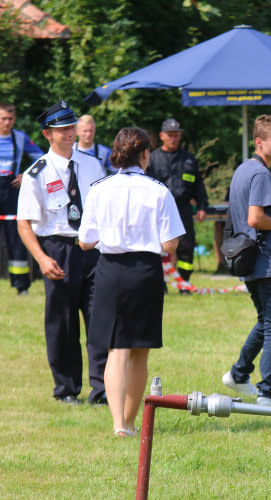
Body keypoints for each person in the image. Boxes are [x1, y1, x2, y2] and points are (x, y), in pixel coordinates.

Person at [78, 127, 184, 437]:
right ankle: (128, 420)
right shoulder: (158, 190)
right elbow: (170, 245)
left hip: (109, 268)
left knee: (116, 349)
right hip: (145, 271)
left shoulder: (99, 188)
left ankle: (118, 425)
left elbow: (85, 241)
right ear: (145, 155)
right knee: (140, 350)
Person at [16, 100, 109, 405]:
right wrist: (42, 259)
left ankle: (103, 388)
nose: (70, 133)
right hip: (58, 248)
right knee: (62, 323)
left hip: (93, 250)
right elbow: (25, 224)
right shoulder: (36, 173)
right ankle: (67, 389)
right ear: (47, 134)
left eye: (71, 127)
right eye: (63, 129)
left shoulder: (93, 164)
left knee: (100, 319)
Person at [221, 115, 271, 406]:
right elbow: (256, 218)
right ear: (259, 142)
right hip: (268, 263)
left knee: (265, 322)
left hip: (250, 261)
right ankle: (267, 392)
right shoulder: (262, 174)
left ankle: (238, 374)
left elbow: (249, 217)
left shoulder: (244, 169)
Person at [147, 118, 208, 291]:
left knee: (186, 247)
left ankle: (184, 283)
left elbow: (199, 185)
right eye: (170, 135)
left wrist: (202, 206)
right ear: (162, 136)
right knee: (161, 246)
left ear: (180, 136)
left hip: (183, 208)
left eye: (176, 135)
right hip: (159, 209)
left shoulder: (188, 159)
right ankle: (162, 283)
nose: (173, 138)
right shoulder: (153, 158)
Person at [0, 103, 44, 295]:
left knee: (16, 236)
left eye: (10, 118)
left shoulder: (20, 137)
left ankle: (21, 285)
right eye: (3, 118)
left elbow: (42, 158)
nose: (6, 122)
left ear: (14, 119)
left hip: (11, 188)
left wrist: (26, 175)